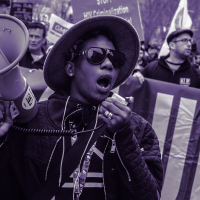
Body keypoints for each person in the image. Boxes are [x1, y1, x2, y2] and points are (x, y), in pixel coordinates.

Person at [0, 16, 163, 200]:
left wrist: (125, 137)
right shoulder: (31, 120)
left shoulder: (138, 128)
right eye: (96, 55)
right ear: (71, 68)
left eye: (115, 59)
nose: (108, 64)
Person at [134, 29, 200, 88]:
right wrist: (135, 77)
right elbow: (138, 92)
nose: (189, 44)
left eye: (190, 41)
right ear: (172, 45)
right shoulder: (151, 69)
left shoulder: (196, 73)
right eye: (184, 40)